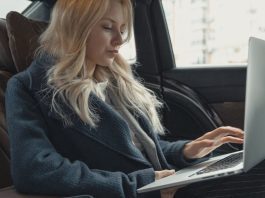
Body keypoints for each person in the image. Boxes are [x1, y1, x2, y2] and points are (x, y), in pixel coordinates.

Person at [6, 0, 264, 197]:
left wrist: (187, 150)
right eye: (108, 28)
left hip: (169, 182)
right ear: (76, 28)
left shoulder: (114, 81)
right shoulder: (29, 87)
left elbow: (139, 149)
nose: (119, 40)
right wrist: (136, 184)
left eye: (122, 29)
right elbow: (34, 169)